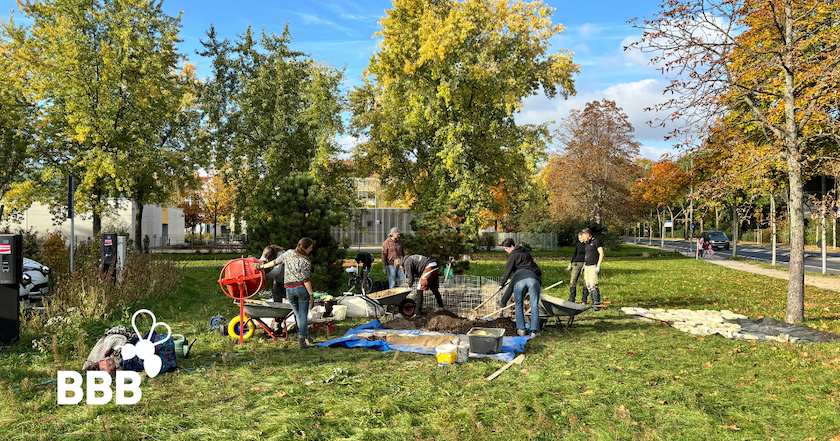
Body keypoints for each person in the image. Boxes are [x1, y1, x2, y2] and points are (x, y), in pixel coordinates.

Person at [253, 237, 316, 349]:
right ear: (305, 248)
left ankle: (306, 336)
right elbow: (306, 280)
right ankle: (302, 342)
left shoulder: (288, 253)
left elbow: (275, 262)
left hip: (289, 289)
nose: (311, 250)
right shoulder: (305, 261)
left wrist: (261, 267)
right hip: (300, 288)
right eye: (310, 248)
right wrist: (311, 295)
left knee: (297, 314)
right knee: (302, 316)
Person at [498, 238, 542, 338]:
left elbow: (508, 271)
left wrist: (502, 284)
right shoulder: (525, 251)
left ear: (511, 247)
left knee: (518, 304)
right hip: (533, 278)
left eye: (506, 248)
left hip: (520, 281)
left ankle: (521, 329)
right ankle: (534, 332)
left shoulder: (512, 255)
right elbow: (535, 267)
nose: (506, 251)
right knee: (534, 305)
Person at [579, 228, 605, 307]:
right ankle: (591, 302)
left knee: (593, 284)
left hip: (593, 266)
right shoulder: (586, 244)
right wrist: (584, 265)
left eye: (583, 236)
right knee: (588, 284)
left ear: (588, 235)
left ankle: (596, 303)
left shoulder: (596, 242)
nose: (583, 238)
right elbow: (586, 255)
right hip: (587, 266)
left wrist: (598, 266)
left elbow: (602, 253)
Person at [567, 233, 590, 304]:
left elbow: (589, 254)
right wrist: (570, 263)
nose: (580, 239)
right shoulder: (577, 244)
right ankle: (572, 298)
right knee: (573, 280)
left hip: (586, 264)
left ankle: (584, 299)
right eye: (579, 238)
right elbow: (575, 253)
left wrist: (585, 264)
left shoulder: (588, 245)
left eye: (581, 238)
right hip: (577, 263)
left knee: (586, 282)